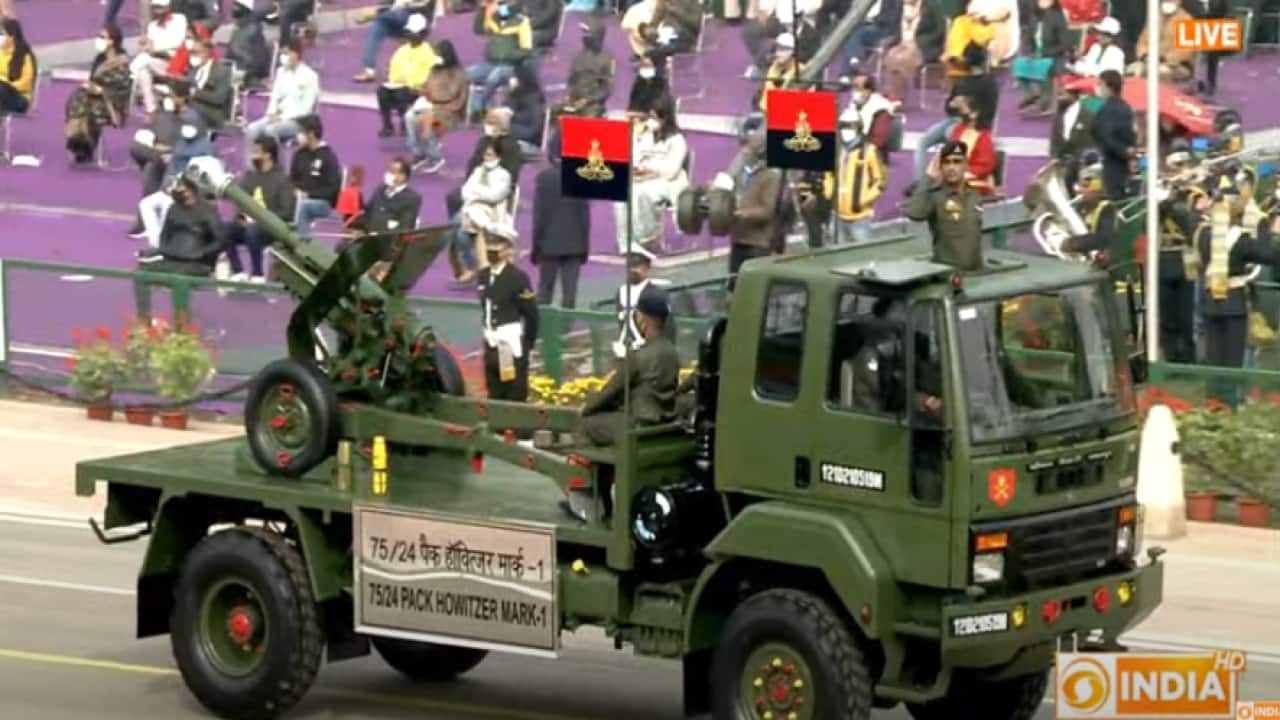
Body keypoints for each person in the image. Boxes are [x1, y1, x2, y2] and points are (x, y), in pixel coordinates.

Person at [1196, 177, 1279, 405]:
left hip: (1210, 300)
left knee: (1213, 355)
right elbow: (1268, 255)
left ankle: (1212, 401)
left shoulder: (1203, 234)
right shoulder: (1240, 239)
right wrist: (1272, 232)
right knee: (1232, 357)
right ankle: (1229, 402)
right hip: (1233, 302)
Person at [580, 285, 679, 449]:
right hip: (665, 422)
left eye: (637, 315)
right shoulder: (672, 352)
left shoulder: (639, 356)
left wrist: (587, 409)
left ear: (643, 319)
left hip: (639, 425)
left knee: (585, 423)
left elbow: (611, 391)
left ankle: (594, 464)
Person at [613, 95, 689, 254]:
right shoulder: (645, 135)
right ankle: (625, 242)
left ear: (665, 118)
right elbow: (633, 158)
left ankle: (645, 237)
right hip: (642, 178)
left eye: (655, 117)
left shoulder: (677, 139)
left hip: (667, 182)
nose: (651, 121)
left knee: (640, 193)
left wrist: (650, 169)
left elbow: (672, 170)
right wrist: (636, 137)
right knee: (619, 194)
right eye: (650, 116)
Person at [912, 42, 995, 181]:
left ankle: (947, 178)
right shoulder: (962, 81)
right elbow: (948, 108)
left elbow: (988, 113)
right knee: (923, 142)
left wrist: (966, 109)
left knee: (951, 135)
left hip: (972, 125)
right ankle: (920, 183)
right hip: (953, 120)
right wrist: (953, 104)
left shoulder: (988, 84)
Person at [223, 135, 296, 282]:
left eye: (256, 152)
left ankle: (258, 274)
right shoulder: (250, 177)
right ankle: (238, 272)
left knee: (253, 230)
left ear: (267, 154)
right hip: (249, 224)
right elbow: (241, 203)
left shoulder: (282, 179)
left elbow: (287, 212)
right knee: (225, 228)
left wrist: (260, 221)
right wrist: (242, 217)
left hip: (273, 228)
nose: (252, 155)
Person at [477, 233, 539, 402]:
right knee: (494, 393)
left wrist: (527, 345)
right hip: (490, 344)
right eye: (489, 249)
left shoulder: (517, 278)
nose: (491, 253)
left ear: (507, 251)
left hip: (509, 345)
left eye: (496, 249)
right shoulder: (483, 276)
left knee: (513, 393)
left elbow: (531, 315)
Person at [906, 140, 984, 270]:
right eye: (946, 162)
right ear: (940, 166)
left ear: (965, 164)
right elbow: (915, 214)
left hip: (976, 272)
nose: (951, 167)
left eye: (957, 162)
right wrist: (929, 176)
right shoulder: (935, 196)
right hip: (947, 272)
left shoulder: (974, 195)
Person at [532, 137, 590, 308]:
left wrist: (536, 247)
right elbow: (584, 217)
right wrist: (585, 248)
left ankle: (542, 323)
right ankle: (567, 324)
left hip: (548, 243)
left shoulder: (544, 178)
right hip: (575, 244)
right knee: (569, 294)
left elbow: (540, 215)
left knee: (545, 291)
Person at [243, 39, 319, 169]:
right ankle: (251, 171)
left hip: (298, 121)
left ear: (296, 54)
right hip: (277, 116)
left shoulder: (310, 76)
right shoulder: (281, 72)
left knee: (270, 130)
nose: (283, 56)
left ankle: (275, 170)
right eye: (282, 53)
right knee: (252, 129)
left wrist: (283, 117)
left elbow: (306, 109)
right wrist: (271, 113)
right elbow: (275, 96)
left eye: (287, 53)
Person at [726, 131, 788, 285]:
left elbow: (767, 211)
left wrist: (742, 214)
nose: (744, 150)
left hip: (758, 243)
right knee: (734, 285)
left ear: (760, 150)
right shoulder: (743, 171)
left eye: (749, 146)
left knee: (754, 286)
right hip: (739, 237)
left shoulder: (772, 175)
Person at [135, 175, 225, 279]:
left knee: (178, 276)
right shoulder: (173, 209)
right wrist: (165, 250)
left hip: (197, 262)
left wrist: (202, 253)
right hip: (171, 257)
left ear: (191, 190)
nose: (184, 195)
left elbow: (220, 241)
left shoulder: (207, 211)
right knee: (142, 274)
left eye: (185, 191)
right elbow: (165, 235)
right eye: (180, 192)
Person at [65, 24, 131, 164]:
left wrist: (101, 91)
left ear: (112, 41)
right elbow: (93, 80)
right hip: (94, 97)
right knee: (76, 100)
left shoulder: (121, 62)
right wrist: (90, 86)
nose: (98, 40)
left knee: (90, 109)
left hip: (112, 104)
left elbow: (123, 90)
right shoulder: (100, 59)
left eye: (102, 37)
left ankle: (86, 145)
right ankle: (77, 139)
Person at [457, 138, 516, 281]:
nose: (486, 158)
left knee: (463, 223)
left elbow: (494, 196)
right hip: (473, 207)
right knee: (458, 228)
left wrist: (476, 190)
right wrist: (480, 192)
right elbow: (465, 192)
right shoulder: (477, 171)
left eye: (490, 155)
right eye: (485, 155)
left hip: (493, 212)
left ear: (498, 156)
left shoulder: (504, 175)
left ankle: (476, 269)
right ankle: (473, 266)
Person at [824, 108, 885, 244]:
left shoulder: (869, 151)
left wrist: (863, 199)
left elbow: (880, 181)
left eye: (850, 126)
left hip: (860, 217)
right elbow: (828, 175)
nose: (846, 130)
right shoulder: (836, 150)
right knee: (837, 253)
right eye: (843, 126)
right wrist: (830, 193)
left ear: (858, 128)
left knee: (862, 253)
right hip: (837, 214)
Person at [405, 39, 467, 173]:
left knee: (423, 121)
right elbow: (427, 85)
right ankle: (419, 152)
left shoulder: (456, 72)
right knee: (409, 116)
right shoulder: (434, 69)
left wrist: (432, 96)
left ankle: (435, 157)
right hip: (431, 105)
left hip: (449, 110)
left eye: (438, 54)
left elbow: (450, 94)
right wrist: (421, 89)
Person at [467, 0, 533, 118]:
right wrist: (482, 9)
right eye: (500, 4)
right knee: (467, 74)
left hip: (510, 66)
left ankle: (479, 108)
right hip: (490, 63)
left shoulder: (522, 22)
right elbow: (478, 29)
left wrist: (508, 54)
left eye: (504, 4)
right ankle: (483, 107)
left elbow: (526, 50)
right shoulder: (493, 19)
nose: (501, 7)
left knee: (494, 77)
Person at [375, 13, 436, 138]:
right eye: (409, 32)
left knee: (401, 94)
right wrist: (392, 80)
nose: (411, 36)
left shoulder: (427, 52)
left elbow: (427, 75)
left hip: (417, 89)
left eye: (414, 33)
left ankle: (406, 124)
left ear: (422, 34)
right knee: (382, 92)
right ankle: (388, 126)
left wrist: (410, 83)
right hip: (400, 85)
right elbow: (394, 69)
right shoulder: (402, 50)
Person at [129, 0, 190, 116]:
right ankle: (151, 109)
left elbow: (178, 42)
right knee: (143, 70)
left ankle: (131, 73)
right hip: (156, 62)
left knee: (143, 63)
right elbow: (150, 46)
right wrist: (145, 47)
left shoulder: (179, 20)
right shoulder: (152, 26)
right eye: (154, 8)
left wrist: (155, 49)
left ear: (167, 8)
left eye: (159, 8)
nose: (156, 11)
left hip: (175, 63)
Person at [352, 0, 436, 83]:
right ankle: (369, 70)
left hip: (419, 21)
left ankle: (398, 67)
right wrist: (379, 11)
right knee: (379, 24)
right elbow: (387, 4)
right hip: (397, 19)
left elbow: (419, 6)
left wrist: (374, 15)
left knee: (398, 15)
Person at [550, 19, 614, 125]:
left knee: (588, 119)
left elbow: (606, 89)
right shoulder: (579, 55)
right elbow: (571, 79)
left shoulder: (606, 59)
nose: (585, 36)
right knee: (552, 111)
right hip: (574, 99)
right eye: (584, 33)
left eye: (587, 33)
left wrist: (587, 100)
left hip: (592, 104)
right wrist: (569, 96)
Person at [290, 114, 343, 240]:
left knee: (304, 206)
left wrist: (308, 194)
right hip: (297, 199)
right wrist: (295, 191)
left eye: (301, 132)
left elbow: (332, 189)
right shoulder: (299, 154)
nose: (298, 136)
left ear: (311, 133)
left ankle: (303, 244)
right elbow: (292, 179)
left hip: (322, 204)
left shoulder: (328, 157)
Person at [1011, 0, 1069, 115]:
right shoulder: (1034, 17)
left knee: (1045, 66)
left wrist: (1044, 54)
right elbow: (1028, 38)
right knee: (1018, 64)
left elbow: (1065, 44)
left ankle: (1045, 102)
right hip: (1036, 55)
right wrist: (1029, 52)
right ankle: (1031, 94)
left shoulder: (1058, 18)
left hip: (1053, 56)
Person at [1090, 69, 1135, 199]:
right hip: (1117, 160)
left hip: (1113, 163)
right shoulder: (1124, 107)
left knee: (1114, 197)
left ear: (1107, 85)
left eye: (1100, 84)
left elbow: (1106, 136)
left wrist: (1124, 151)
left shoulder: (1111, 109)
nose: (1098, 88)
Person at [941, 93, 997, 195]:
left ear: (975, 114)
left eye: (964, 110)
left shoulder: (984, 137)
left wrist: (964, 171)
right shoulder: (958, 130)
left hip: (975, 181)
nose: (961, 114)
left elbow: (986, 166)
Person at [1058, 163, 1116, 257]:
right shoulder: (1079, 208)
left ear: (1100, 189)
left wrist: (1073, 243)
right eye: (1080, 186)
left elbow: (1103, 238)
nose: (1080, 190)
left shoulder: (1108, 209)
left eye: (1086, 186)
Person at [352, 158, 422, 234]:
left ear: (402, 176)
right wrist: (356, 196)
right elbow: (367, 212)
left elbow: (404, 228)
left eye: (392, 171)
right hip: (367, 235)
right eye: (389, 170)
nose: (388, 174)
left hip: (387, 238)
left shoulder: (412, 198)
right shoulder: (380, 189)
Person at [1132, 1, 1194, 83]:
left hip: (1176, 66)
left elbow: (1186, 51)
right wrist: (1145, 55)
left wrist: (1163, 58)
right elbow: (1142, 41)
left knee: (1161, 72)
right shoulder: (1155, 17)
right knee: (1133, 70)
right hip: (1150, 61)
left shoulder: (1187, 19)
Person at [186, 37, 233, 130]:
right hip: (192, 107)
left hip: (211, 111)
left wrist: (195, 93)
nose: (192, 55)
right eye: (191, 52)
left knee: (188, 113)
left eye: (195, 52)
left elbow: (219, 98)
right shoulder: (193, 69)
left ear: (206, 52)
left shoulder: (222, 71)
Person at [226, 0, 272, 89]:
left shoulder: (255, 32)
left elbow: (260, 63)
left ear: (247, 14)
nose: (235, 19)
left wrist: (245, 73)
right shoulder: (235, 33)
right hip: (233, 74)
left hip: (250, 77)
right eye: (233, 14)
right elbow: (228, 58)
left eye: (238, 14)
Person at [505, 59, 546, 152]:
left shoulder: (534, 98)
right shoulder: (515, 94)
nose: (511, 80)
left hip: (529, 137)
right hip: (517, 129)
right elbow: (507, 110)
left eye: (514, 77)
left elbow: (535, 128)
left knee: (500, 129)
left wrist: (512, 117)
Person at [0, 17, 36, 116]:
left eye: (2, 34)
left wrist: (6, 85)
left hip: (20, 98)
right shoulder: (1, 53)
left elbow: (25, 83)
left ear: (11, 36)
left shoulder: (24, 55)